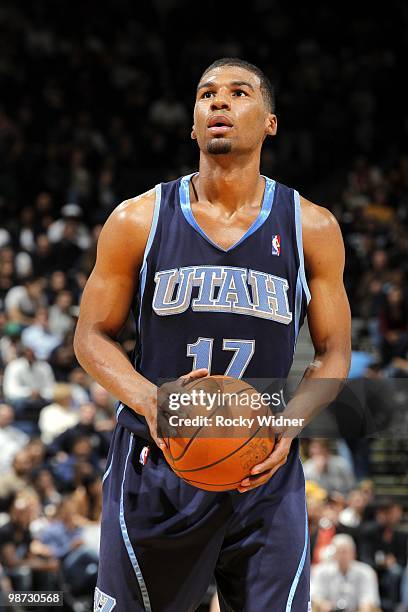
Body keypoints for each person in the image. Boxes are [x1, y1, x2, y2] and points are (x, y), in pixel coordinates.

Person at [74, 58, 351, 611]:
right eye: (206, 95)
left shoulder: (311, 226)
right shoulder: (138, 219)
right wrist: (152, 401)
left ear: (270, 122)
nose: (219, 102)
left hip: (262, 468)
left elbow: (334, 353)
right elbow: (91, 336)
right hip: (159, 463)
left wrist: (290, 424)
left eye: (239, 92)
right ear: (193, 125)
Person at [311, 534, 380, 612]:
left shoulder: (366, 572)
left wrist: (364, 607)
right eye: (339, 552)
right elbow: (314, 596)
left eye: (345, 552)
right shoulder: (320, 571)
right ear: (333, 554)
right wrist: (322, 603)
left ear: (354, 553)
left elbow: (369, 600)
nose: (343, 556)